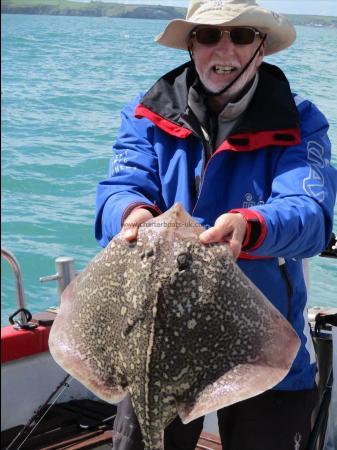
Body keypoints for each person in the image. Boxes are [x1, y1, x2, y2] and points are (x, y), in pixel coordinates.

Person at [95, 0, 337, 449]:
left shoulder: (299, 121)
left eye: (241, 36)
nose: (223, 50)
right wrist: (130, 213)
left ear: (260, 48)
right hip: (155, 333)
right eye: (209, 35)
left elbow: (311, 213)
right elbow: (121, 184)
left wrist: (252, 224)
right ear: (191, 43)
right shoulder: (146, 114)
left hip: (260, 344)